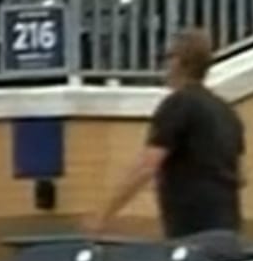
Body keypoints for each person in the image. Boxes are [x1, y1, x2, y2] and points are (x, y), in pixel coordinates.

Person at [86, 29, 242, 247]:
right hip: (228, 229)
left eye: (166, 57)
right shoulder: (226, 111)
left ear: (178, 62)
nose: (164, 65)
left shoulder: (178, 105)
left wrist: (101, 216)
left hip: (192, 232)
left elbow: (146, 167)